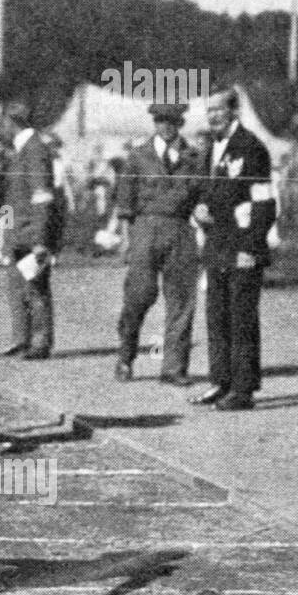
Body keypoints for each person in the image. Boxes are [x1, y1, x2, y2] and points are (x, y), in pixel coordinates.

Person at [189, 87, 276, 411]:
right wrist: (200, 207)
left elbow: (265, 204)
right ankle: (221, 381)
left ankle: (243, 389)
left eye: (218, 110)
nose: (212, 116)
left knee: (241, 319)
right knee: (217, 316)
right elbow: (207, 191)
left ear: (234, 111)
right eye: (208, 110)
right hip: (217, 245)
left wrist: (251, 247)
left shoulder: (251, 147)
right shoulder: (212, 147)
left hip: (242, 246)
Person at [113, 103, 202, 384]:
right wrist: (129, 243)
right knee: (138, 296)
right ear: (154, 123)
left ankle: (173, 369)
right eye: (160, 120)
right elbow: (125, 205)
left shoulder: (194, 157)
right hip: (145, 230)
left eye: (171, 121)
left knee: (182, 301)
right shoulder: (138, 157)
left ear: (180, 123)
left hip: (180, 230)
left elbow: (203, 195)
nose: (165, 126)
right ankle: (126, 356)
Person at [0, 101, 56, 360]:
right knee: (16, 287)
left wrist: (40, 239)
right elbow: (12, 199)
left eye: (2, 123)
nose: (0, 129)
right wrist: (5, 237)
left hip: (30, 232)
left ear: (13, 122)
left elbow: (42, 196)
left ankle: (40, 342)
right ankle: (20, 339)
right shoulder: (21, 150)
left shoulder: (34, 150)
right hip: (17, 231)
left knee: (35, 287)